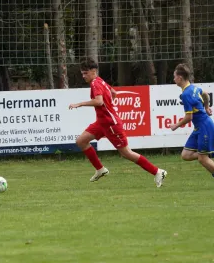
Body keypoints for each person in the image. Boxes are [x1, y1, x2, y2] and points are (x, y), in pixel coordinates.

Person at [68, 58, 167, 187]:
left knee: (126, 153)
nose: (83, 76)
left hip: (110, 124)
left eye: (85, 73)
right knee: (81, 141)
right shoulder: (100, 81)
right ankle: (100, 169)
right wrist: (110, 107)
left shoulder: (95, 83)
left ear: (93, 71)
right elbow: (113, 92)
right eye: (82, 73)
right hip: (102, 122)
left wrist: (79, 104)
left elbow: (99, 101)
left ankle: (158, 171)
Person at [170, 63, 214, 190]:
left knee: (202, 158)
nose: (174, 79)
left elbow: (189, 117)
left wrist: (176, 125)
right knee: (186, 155)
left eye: (174, 76)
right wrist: (206, 107)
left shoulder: (186, 95)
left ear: (180, 78)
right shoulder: (193, 88)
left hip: (204, 126)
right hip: (199, 127)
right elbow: (205, 94)